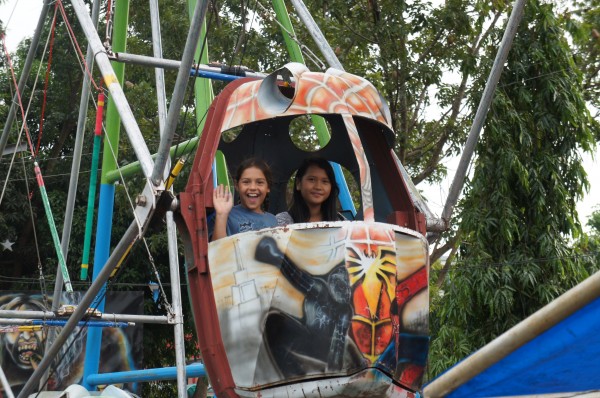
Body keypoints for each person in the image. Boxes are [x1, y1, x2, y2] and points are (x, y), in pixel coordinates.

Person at [211, 158, 277, 241]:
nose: (252, 187)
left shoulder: (273, 220)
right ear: (237, 185)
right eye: (246, 182)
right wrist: (221, 215)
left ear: (268, 187)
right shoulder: (226, 216)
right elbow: (217, 251)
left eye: (260, 182)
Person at [276, 157, 340, 226]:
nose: (318, 187)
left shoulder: (341, 222)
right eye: (312, 179)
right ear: (298, 183)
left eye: (325, 181)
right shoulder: (281, 222)